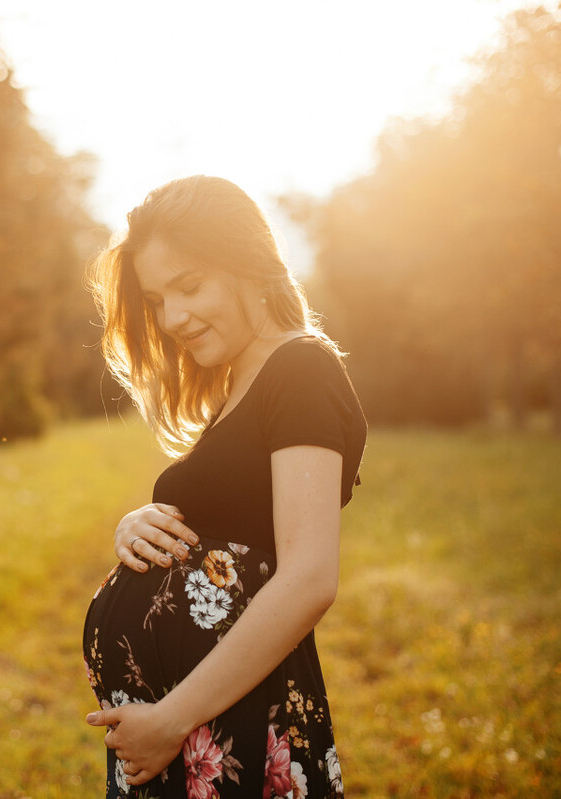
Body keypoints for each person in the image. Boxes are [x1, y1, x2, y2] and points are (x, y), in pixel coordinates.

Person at [81, 176, 367, 799]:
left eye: (189, 287)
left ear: (249, 265)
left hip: (231, 730)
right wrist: (139, 523)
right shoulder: (244, 381)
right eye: (158, 298)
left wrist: (169, 720)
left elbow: (309, 577)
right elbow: (229, 522)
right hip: (193, 735)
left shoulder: (301, 370)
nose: (172, 317)